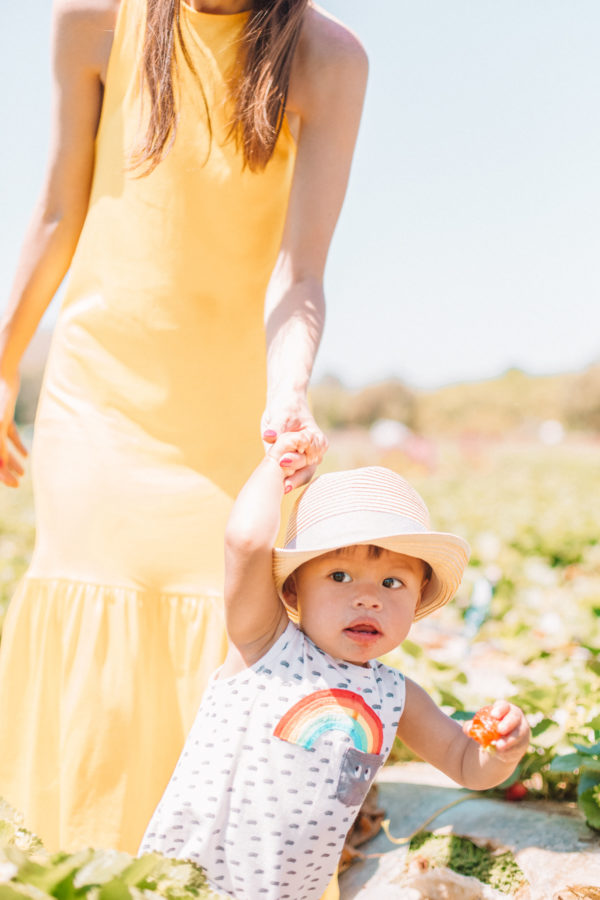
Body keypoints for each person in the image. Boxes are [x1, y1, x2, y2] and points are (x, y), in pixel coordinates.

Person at [0, 0, 367, 858]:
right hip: (100, 394)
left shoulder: (328, 58)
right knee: (91, 621)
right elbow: (59, 211)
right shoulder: (92, 21)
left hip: (234, 408)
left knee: (226, 634)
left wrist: (289, 393)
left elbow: (300, 269)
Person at [139, 431, 531, 900]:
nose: (368, 597)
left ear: (419, 597)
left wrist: (501, 752)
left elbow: (467, 765)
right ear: (291, 591)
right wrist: (276, 467)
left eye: (392, 582)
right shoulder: (267, 646)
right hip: (192, 879)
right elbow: (245, 542)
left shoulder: (395, 695)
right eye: (339, 576)